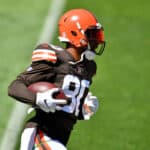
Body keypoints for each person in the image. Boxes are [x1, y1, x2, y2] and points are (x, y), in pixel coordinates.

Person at [8, 8, 106, 150]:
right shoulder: (55, 57)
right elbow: (15, 87)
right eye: (91, 34)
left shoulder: (89, 68)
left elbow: (67, 107)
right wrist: (38, 99)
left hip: (59, 138)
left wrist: (81, 104)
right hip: (39, 134)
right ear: (74, 33)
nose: (97, 40)